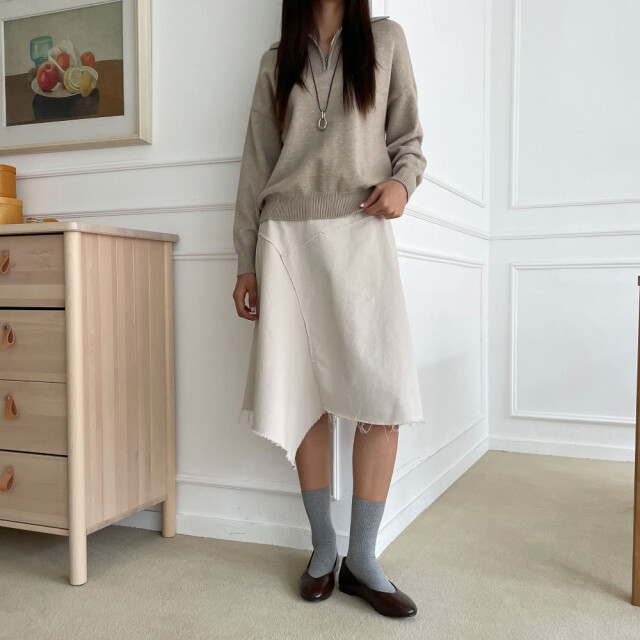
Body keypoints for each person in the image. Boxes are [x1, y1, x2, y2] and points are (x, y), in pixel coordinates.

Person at [232, 0, 427, 618]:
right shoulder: (276, 62)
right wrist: (244, 260)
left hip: (361, 229)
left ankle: (362, 559)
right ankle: (323, 548)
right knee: (303, 394)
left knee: (381, 392)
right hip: (285, 240)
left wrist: (402, 183)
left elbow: (409, 139)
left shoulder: (386, 40)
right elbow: (256, 166)